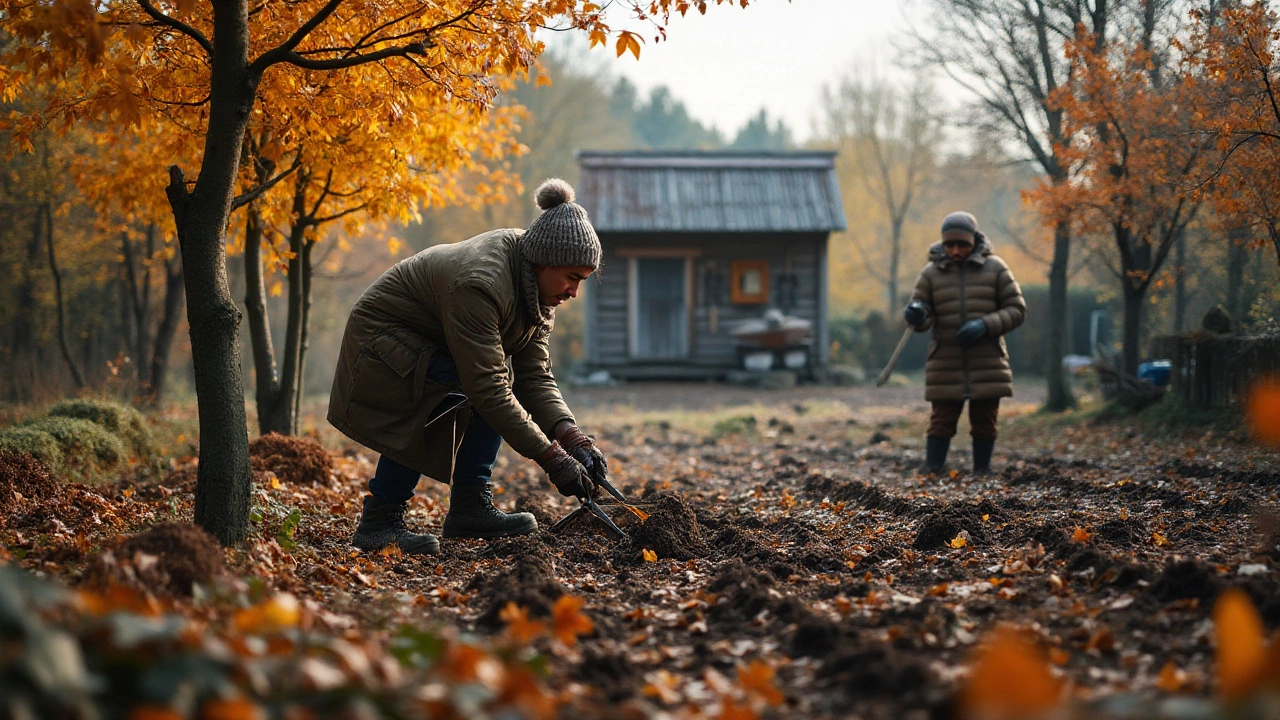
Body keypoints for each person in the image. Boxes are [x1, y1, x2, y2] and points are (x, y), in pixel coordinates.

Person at [328, 179, 607, 555]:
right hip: (383, 338)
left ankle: (470, 508)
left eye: (582, 281)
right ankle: (380, 520)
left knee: (482, 383)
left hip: (432, 342)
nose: (574, 292)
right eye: (572, 278)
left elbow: (535, 377)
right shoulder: (482, 283)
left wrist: (572, 438)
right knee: (445, 390)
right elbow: (489, 390)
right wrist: (552, 459)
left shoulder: (539, 295)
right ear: (544, 261)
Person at [902, 211, 1026, 474]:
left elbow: (1017, 309)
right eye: (950, 245)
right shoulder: (930, 274)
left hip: (987, 359)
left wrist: (984, 326)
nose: (956, 251)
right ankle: (932, 469)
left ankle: (982, 471)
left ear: (973, 242)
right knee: (941, 420)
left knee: (985, 421)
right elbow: (921, 319)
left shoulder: (996, 268)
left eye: (962, 244)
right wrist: (916, 313)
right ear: (943, 244)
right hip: (945, 360)